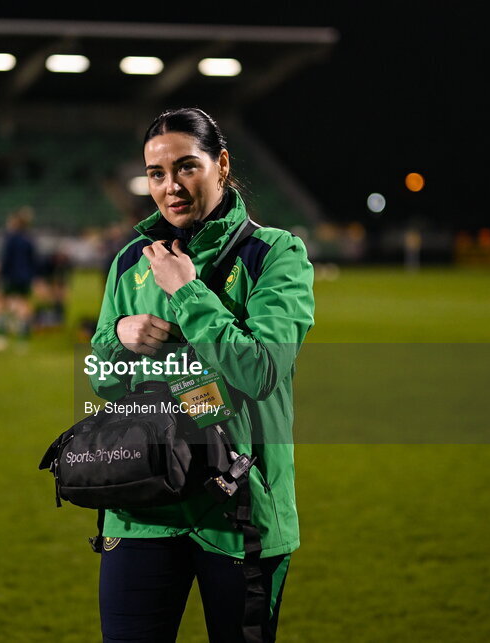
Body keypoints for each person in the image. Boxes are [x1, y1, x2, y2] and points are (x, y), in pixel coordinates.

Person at [88, 108, 315, 643]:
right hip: (141, 502)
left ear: (222, 164)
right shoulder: (129, 262)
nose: (172, 187)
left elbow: (260, 370)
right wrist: (120, 336)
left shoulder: (275, 253)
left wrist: (188, 292)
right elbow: (99, 374)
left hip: (239, 510)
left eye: (187, 167)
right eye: (156, 174)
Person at [0, 207, 37, 351]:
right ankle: (23, 339)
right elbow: (33, 261)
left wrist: (0, 274)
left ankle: (0, 336)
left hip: (10, 277)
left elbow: (6, 259)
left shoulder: (10, 238)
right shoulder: (29, 239)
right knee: (24, 305)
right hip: (25, 277)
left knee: (0, 303)